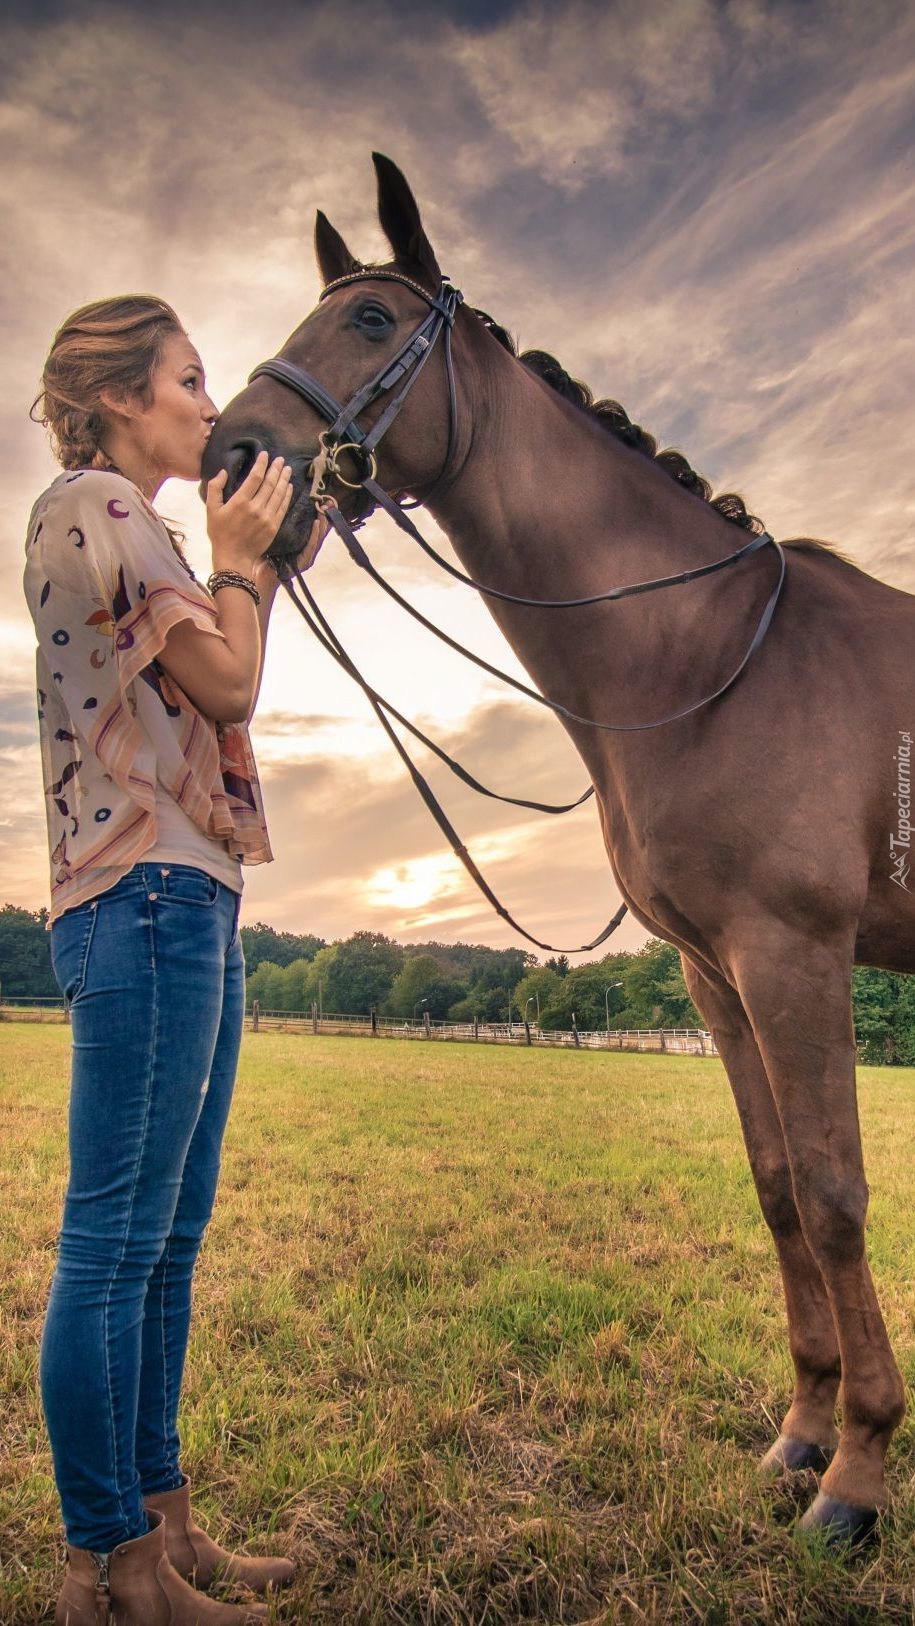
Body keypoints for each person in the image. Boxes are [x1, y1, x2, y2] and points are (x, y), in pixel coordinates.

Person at [24, 295, 313, 1625]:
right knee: (116, 1239)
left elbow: (209, 670)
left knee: (167, 1238)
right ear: (130, 397)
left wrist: (234, 558)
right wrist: (240, 557)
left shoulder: (126, 520)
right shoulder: (95, 503)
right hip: (142, 897)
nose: (213, 403)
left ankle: (164, 1522)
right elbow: (233, 682)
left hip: (184, 897)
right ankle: (108, 1568)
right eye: (191, 380)